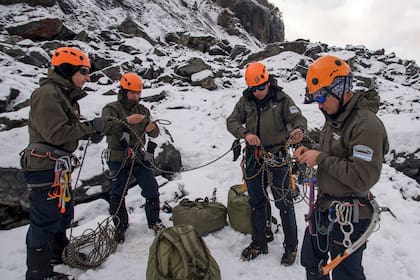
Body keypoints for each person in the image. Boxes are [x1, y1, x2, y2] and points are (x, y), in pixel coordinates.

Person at [295, 55, 389, 280]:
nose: (318, 103)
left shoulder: (366, 125)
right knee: (311, 260)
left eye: (321, 96)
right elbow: (336, 150)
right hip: (327, 207)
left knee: (346, 274)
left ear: (340, 87)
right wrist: (311, 151)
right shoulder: (335, 115)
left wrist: (321, 159)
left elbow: (361, 177)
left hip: (350, 215)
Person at [20, 46, 105, 280]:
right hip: (44, 168)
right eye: (84, 71)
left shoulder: (62, 94)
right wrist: (89, 129)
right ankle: (39, 273)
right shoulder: (48, 94)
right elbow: (56, 133)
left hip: (57, 168)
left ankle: (58, 253)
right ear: (68, 70)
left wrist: (87, 131)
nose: (88, 77)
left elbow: (64, 129)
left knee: (62, 214)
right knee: (45, 220)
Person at [226, 62, 307, 265]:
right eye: (255, 88)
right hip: (254, 155)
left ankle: (291, 246)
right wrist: (245, 134)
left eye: (262, 87)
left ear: (268, 82)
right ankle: (259, 242)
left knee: (284, 202)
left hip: (277, 155)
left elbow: (298, 117)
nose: (259, 92)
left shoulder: (281, 99)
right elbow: (232, 121)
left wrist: (299, 131)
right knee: (256, 201)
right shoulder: (245, 101)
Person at [102, 72, 165, 243]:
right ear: (123, 92)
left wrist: (152, 128)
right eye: (132, 93)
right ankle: (120, 226)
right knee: (118, 192)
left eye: (138, 93)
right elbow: (105, 126)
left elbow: (155, 132)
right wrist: (125, 120)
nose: (136, 96)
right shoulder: (111, 108)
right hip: (118, 157)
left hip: (138, 156)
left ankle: (154, 221)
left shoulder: (142, 110)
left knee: (151, 187)